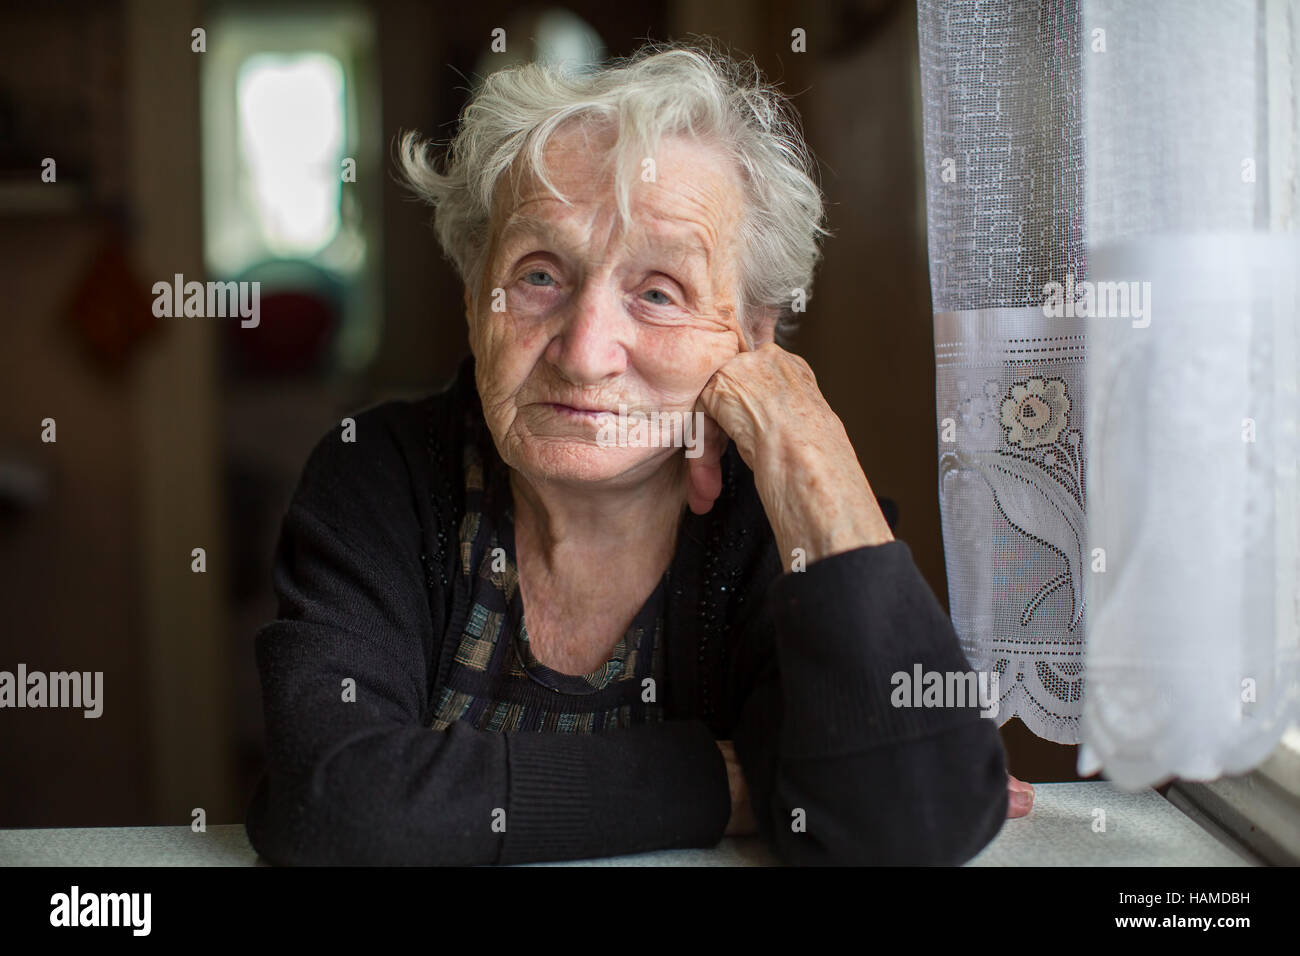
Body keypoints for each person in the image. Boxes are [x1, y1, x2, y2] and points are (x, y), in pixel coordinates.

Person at [245, 41, 1028, 866]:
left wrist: (809, 456)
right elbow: (335, 805)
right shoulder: (380, 476)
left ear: (750, 339)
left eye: (659, 293)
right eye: (540, 275)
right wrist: (721, 783)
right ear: (476, 297)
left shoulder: (768, 519)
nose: (585, 352)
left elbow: (920, 819)